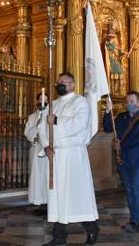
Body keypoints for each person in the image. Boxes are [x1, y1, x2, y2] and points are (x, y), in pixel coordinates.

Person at [39, 72, 99, 246]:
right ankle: (59, 238)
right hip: (55, 156)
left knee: (76, 194)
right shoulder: (53, 104)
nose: (60, 85)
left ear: (72, 85)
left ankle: (92, 228)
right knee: (57, 196)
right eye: (58, 83)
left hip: (73, 156)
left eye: (63, 83)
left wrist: (56, 120)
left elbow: (79, 124)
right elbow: (42, 127)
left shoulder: (80, 102)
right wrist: (46, 146)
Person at [103, 91, 139, 232]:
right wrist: (107, 112)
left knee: (135, 190)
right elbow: (107, 127)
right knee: (129, 190)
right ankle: (133, 219)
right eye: (127, 102)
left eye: (131, 101)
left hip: (137, 160)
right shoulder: (121, 117)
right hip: (122, 160)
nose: (129, 104)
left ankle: (136, 221)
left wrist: (121, 144)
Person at [24, 92, 49, 215]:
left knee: (48, 177)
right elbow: (27, 132)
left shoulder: (51, 115)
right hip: (36, 150)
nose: (43, 101)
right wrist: (35, 131)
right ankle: (41, 203)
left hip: (48, 150)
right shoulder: (32, 117)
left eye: (45, 99)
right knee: (38, 178)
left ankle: (50, 203)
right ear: (37, 101)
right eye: (40, 99)